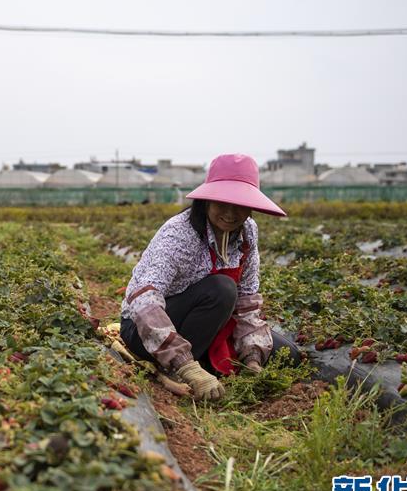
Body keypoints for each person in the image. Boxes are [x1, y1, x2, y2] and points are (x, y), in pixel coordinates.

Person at [119, 154, 299, 401]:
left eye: (240, 204)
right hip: (145, 329)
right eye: (222, 203)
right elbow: (144, 301)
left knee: (288, 355)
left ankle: (208, 359)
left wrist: (252, 358)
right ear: (207, 201)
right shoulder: (179, 234)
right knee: (222, 289)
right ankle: (180, 367)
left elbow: (247, 299)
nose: (231, 213)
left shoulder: (247, 232)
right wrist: (185, 365)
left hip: (210, 321)